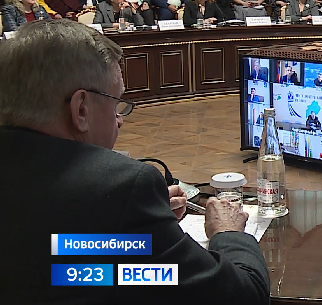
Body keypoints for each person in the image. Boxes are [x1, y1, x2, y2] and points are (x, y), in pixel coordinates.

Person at [0, 19, 271, 304]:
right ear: (80, 109)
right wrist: (227, 233)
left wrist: (134, 231)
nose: (120, 120)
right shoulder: (119, 185)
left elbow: (58, 264)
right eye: (115, 102)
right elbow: (244, 295)